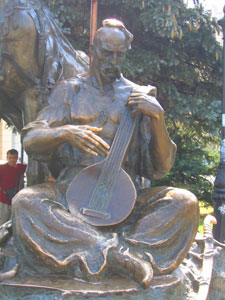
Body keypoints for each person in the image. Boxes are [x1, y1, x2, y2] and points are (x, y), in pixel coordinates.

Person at [11, 19, 199, 287]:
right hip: (70, 192)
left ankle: (114, 251)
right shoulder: (69, 90)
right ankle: (118, 256)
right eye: (105, 53)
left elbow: (161, 167)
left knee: (185, 202)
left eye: (119, 54)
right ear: (93, 48)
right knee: (26, 202)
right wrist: (65, 133)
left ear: (125, 53)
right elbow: (31, 138)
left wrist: (158, 118)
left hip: (127, 194)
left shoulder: (139, 96)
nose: (112, 60)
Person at [0, 149, 26, 225]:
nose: (12, 160)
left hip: (15, 199)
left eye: (14, 157)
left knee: (12, 223)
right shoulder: (1, 168)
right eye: (10, 157)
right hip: (3, 199)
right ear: (7, 158)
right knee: (2, 222)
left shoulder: (20, 167)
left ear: (17, 158)